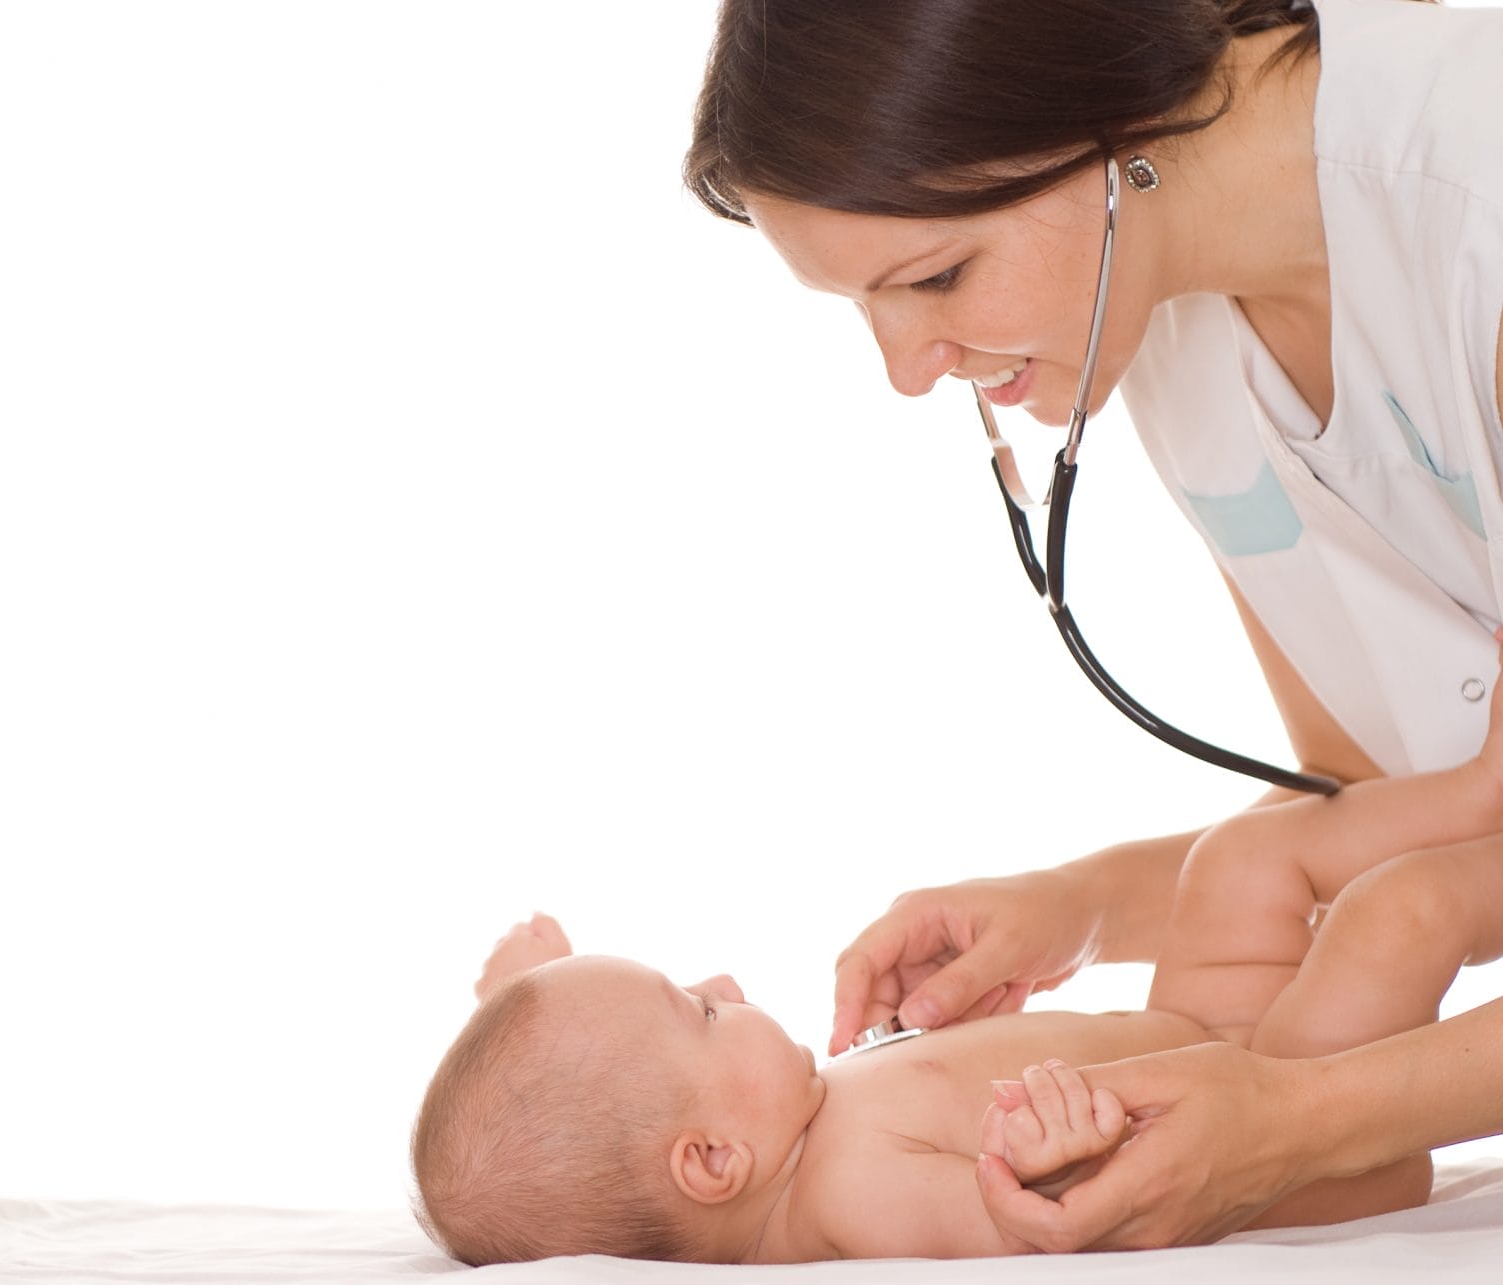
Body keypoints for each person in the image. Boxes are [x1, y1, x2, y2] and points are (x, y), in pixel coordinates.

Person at [680, 0, 1503, 1251]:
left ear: (1115, 124)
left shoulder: (1474, 191)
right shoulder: (1164, 314)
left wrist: (1302, 1123)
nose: (905, 370)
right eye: (862, 304)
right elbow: (1381, 803)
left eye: (938, 276)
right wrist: (1079, 909)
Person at [409, 657, 1503, 1262]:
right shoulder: (860, 1202)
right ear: (710, 1161)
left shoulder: (796, 1134)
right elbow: (1058, 1230)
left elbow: (559, 1108)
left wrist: (516, 993)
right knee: (1394, 912)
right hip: (1294, 1149)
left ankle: (1476, 792)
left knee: (1235, 861)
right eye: (696, 1011)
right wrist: (1058, 1152)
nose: (727, 986)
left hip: (1211, 1044)